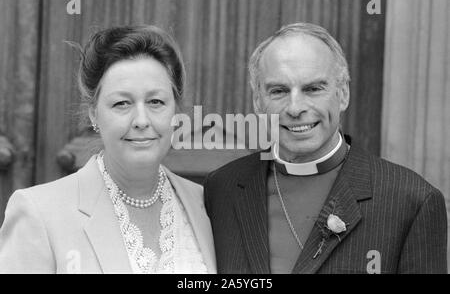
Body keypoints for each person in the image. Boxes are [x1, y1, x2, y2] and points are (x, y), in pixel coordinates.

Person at [203, 23, 447, 274]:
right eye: (279, 91)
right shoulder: (222, 189)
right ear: (257, 101)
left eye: (313, 89)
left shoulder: (411, 201)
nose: (295, 108)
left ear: (343, 94)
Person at [0, 25, 216, 273]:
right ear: (94, 114)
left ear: (175, 110)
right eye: (122, 103)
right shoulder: (39, 212)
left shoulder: (206, 204)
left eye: (156, 102)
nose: (141, 120)